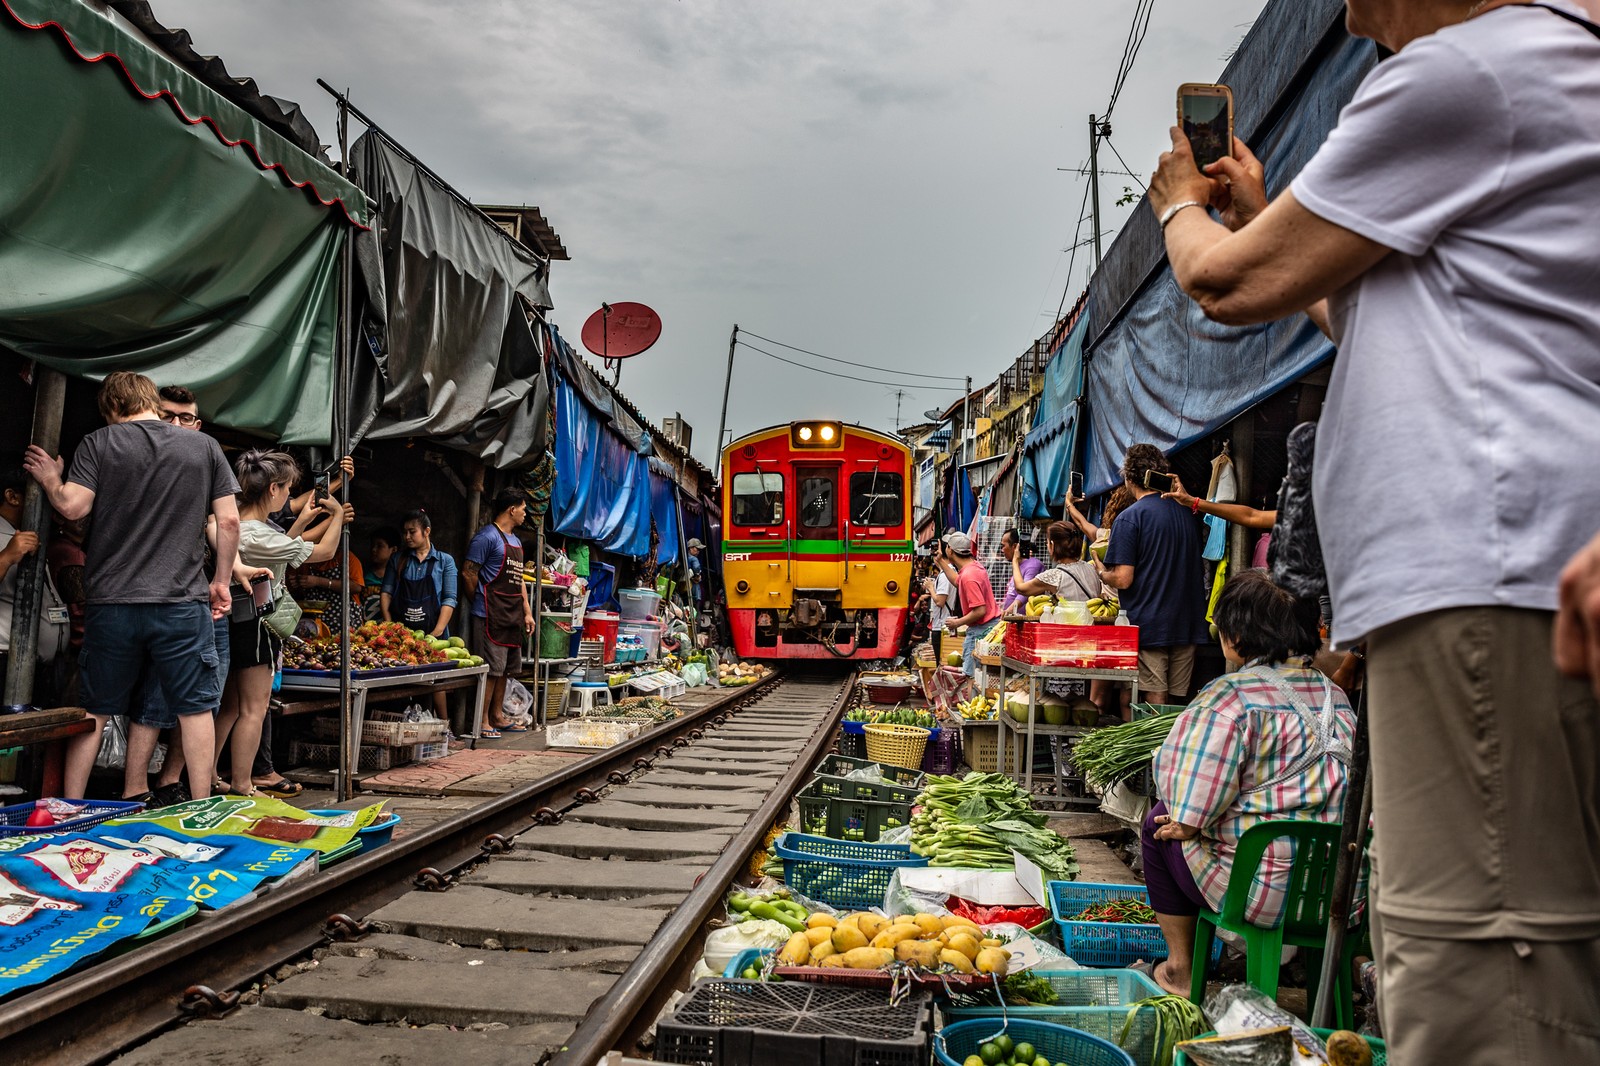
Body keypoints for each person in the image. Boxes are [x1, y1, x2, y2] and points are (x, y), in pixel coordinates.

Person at [1148, 3, 1600, 1057]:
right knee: (1516, 930)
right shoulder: (1540, 73)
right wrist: (1265, 208)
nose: (1345, 5)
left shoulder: (1466, 70)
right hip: (1505, 567)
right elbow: (1358, 306)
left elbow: (1230, 281)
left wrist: (1182, 207)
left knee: (1478, 955)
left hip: (1480, 569)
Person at [23, 372, 240, 801]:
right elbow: (230, 521)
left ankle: (71, 806)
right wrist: (220, 581)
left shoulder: (99, 442)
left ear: (111, 408)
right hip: (181, 603)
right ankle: (201, 806)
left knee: (97, 708)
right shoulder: (204, 446)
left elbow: (71, 505)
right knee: (194, 708)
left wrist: (51, 479)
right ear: (151, 403)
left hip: (112, 602)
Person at [1140, 569, 1354, 997]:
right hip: (1335, 891)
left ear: (1235, 636)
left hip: (1261, 893)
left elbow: (1189, 801)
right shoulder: (1337, 697)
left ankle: (1180, 971)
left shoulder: (1231, 698)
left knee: (1156, 825)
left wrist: (1187, 821)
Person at [213, 450, 344, 796]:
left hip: (234, 621)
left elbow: (281, 546)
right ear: (273, 489)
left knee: (228, 707)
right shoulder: (258, 533)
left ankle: (210, 773)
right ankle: (243, 783)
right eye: (287, 489)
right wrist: (338, 516)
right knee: (254, 710)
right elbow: (325, 552)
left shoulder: (235, 523)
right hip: (259, 624)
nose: (289, 496)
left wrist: (302, 523)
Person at [1094, 445, 1208, 707]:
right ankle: (1176, 745)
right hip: (1188, 623)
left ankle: (1157, 749)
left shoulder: (1129, 518)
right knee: (1179, 700)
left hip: (1151, 624)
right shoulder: (1188, 514)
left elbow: (1123, 578)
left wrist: (1102, 572)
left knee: (1155, 696)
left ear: (1128, 478)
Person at [462, 489, 535, 738]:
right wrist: (483, 602)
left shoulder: (515, 541)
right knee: (491, 669)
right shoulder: (487, 537)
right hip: (489, 615)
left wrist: (527, 611)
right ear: (511, 510)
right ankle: (482, 721)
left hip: (512, 615)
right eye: (523, 508)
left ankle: (497, 716)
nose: (526, 514)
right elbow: (468, 574)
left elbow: (519, 581)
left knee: (506, 669)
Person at [382, 509, 458, 720]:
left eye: (412, 532)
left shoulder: (445, 561)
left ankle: (444, 727)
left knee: (437, 681)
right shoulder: (397, 559)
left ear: (426, 531)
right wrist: (390, 627)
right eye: (404, 532)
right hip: (402, 634)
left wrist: (437, 632)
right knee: (401, 680)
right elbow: (386, 593)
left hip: (434, 631)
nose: (407, 537)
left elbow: (449, 598)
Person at [0, 466, 67, 697]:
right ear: (12, 497)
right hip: (6, 662)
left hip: (37, 667)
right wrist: (7, 556)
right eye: (41, 497)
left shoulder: (27, 535)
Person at [934, 532, 999, 676]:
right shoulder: (973, 568)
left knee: (971, 677)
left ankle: (971, 699)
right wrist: (941, 561)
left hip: (981, 630)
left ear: (950, 550)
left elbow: (980, 610)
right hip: (986, 627)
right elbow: (958, 581)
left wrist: (957, 623)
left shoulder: (969, 576)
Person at [1011, 521, 1104, 604]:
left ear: (1052, 544)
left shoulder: (1055, 576)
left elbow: (1021, 588)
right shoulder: (1092, 568)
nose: (1047, 545)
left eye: (1046, 542)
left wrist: (1015, 560)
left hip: (1070, 622)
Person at [999, 528, 1043, 615]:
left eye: (1003, 546)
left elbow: (1025, 593)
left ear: (1015, 546)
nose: (1002, 550)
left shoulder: (1033, 566)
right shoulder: (1018, 564)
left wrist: (1009, 611)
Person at [686, 538, 705, 605]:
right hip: (691, 583)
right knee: (697, 592)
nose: (698, 551)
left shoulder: (685, 556)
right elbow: (696, 568)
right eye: (697, 549)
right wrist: (697, 575)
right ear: (690, 548)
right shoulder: (694, 559)